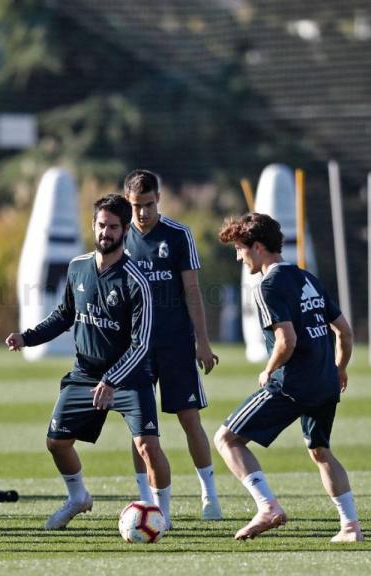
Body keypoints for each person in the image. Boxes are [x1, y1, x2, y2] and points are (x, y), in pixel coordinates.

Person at [5, 194, 173, 530]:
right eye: (101, 225)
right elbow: (64, 315)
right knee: (56, 442)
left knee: (147, 446)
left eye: (113, 227)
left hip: (129, 376)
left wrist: (111, 380)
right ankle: (78, 497)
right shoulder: (77, 267)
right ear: (92, 225)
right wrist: (27, 338)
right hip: (85, 373)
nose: (105, 233)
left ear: (125, 230)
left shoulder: (136, 281)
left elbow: (141, 344)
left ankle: (162, 515)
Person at [214, 213, 363, 543]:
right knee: (320, 450)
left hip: (293, 383)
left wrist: (268, 370)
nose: (238, 258)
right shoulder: (306, 277)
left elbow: (287, 341)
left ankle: (268, 507)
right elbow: (345, 332)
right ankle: (350, 527)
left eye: (240, 250)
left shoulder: (268, 286)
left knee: (226, 439)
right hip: (325, 381)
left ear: (257, 247)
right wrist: (339, 368)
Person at [122, 169, 222, 520]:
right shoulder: (119, 236)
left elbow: (192, 291)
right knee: (141, 427)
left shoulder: (178, 235)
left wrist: (203, 342)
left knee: (189, 418)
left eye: (148, 204)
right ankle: (145, 499)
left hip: (176, 344)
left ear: (158, 199)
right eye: (136, 205)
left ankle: (209, 495)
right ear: (127, 202)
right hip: (135, 349)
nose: (142, 212)